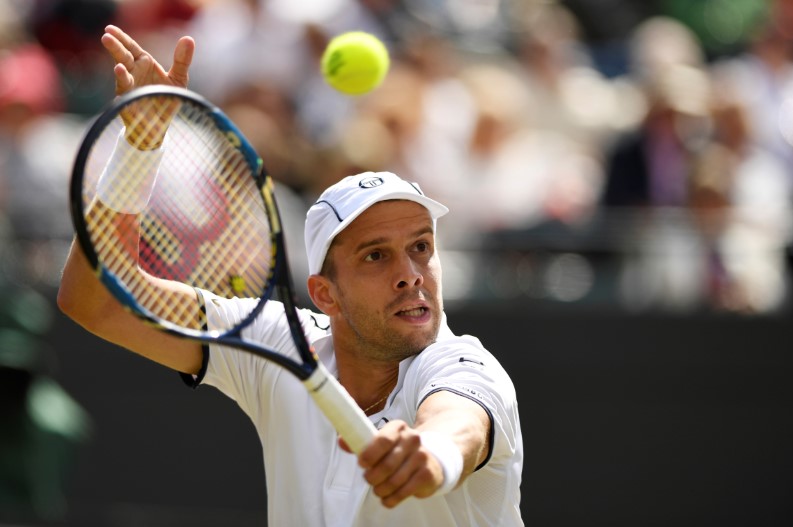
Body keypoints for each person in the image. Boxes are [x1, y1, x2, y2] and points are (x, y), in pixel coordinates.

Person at [57, 26, 523, 526]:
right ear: (325, 294)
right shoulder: (278, 343)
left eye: (420, 247)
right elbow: (98, 300)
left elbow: (458, 427)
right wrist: (139, 147)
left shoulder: (463, 366)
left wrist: (429, 458)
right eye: (375, 256)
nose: (411, 274)